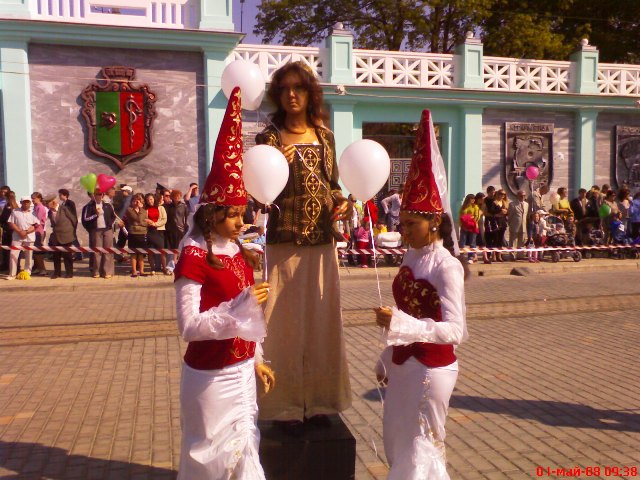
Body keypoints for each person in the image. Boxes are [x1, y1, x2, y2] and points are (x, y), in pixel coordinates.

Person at [174, 87, 274, 479]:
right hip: (211, 376)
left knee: (245, 449)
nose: (239, 222)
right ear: (211, 214)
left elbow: (252, 320)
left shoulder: (238, 251)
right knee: (212, 457)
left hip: (242, 371)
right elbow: (189, 326)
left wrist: (257, 360)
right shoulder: (194, 256)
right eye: (231, 215)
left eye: (242, 213)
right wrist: (239, 308)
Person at [254, 61, 352, 429]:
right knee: (282, 325)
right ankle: (284, 406)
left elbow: (332, 184)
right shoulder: (268, 139)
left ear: (311, 93)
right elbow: (258, 193)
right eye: (285, 88)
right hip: (284, 243)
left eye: (299, 87)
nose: (292, 95)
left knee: (324, 323)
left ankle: (322, 402)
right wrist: (276, 167)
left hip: (323, 243)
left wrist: (343, 201)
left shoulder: (325, 136)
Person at [373, 110, 467, 480]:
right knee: (398, 444)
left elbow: (454, 330)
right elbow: (407, 313)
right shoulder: (411, 256)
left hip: (432, 368)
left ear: (434, 222)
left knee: (421, 449)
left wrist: (400, 324)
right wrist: (388, 354)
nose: (405, 231)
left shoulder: (447, 266)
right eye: (403, 223)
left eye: (412, 224)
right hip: (403, 366)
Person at [82, 189, 117, 279]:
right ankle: (96, 271)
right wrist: (95, 215)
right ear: (94, 195)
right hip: (96, 230)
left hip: (107, 230)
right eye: (97, 194)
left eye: (101, 194)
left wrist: (110, 225)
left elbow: (113, 216)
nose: (99, 196)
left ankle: (107, 272)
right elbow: (85, 219)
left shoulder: (107, 205)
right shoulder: (89, 206)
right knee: (97, 252)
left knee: (108, 251)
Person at [6, 196, 39, 280]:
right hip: (17, 236)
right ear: (21, 203)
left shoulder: (33, 212)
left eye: (28, 202)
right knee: (13, 254)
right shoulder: (15, 211)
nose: (26, 203)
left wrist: (26, 232)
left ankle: (27, 273)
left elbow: (36, 225)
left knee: (29, 255)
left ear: (30, 203)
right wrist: (20, 231)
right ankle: (12, 274)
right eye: (24, 202)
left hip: (29, 236)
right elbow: (11, 223)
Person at [46, 196, 77, 278]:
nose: (46, 205)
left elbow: (74, 220)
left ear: (53, 202)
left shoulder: (64, 209)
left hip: (66, 235)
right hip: (56, 236)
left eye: (47, 203)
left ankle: (69, 273)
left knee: (67, 255)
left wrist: (72, 231)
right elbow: (53, 223)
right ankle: (57, 273)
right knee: (56, 255)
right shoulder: (49, 212)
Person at [145, 193, 170, 275]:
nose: (149, 201)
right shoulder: (145, 209)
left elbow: (164, 219)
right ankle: (152, 268)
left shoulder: (161, 208)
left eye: (151, 199)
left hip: (159, 231)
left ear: (154, 199)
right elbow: (144, 219)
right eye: (148, 200)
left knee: (162, 251)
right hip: (149, 231)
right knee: (150, 251)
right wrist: (149, 223)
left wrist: (155, 224)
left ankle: (164, 269)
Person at [125, 193, 149, 277]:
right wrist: (141, 221)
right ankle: (134, 271)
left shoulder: (144, 211)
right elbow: (137, 219)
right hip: (133, 233)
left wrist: (141, 221)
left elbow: (145, 222)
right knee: (133, 253)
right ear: (132, 202)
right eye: (135, 201)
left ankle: (142, 271)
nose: (137, 202)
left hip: (142, 233)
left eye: (138, 200)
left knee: (141, 253)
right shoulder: (129, 210)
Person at [31, 192, 49, 276]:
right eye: (32, 198)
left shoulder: (40, 207)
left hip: (38, 231)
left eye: (34, 198)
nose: (32, 200)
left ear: (39, 198)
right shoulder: (35, 207)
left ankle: (43, 269)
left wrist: (29, 228)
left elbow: (37, 221)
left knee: (37, 252)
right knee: (34, 251)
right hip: (34, 231)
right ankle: (37, 268)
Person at [507, 190, 529, 259]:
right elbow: (510, 216)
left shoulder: (526, 204)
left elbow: (526, 215)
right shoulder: (512, 204)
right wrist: (510, 224)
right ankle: (512, 255)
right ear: (518, 196)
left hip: (523, 225)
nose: (523, 197)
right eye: (521, 196)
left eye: (524, 196)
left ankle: (520, 255)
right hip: (514, 225)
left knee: (522, 241)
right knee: (513, 241)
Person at [458, 194, 479, 263]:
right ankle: (461, 257)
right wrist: (462, 225)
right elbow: (460, 216)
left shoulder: (475, 207)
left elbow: (476, 217)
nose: (473, 200)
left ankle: (470, 257)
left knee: (472, 243)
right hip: (464, 226)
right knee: (462, 242)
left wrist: (471, 222)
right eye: (471, 198)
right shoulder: (463, 207)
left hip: (472, 227)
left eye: (474, 199)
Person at [0, 190, 17, 271]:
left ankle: (7, 266)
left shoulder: (8, 206)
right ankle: (13, 267)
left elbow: (3, 218)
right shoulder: (17, 206)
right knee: (14, 250)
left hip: (8, 230)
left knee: (7, 249)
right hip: (14, 230)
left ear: (6, 197)